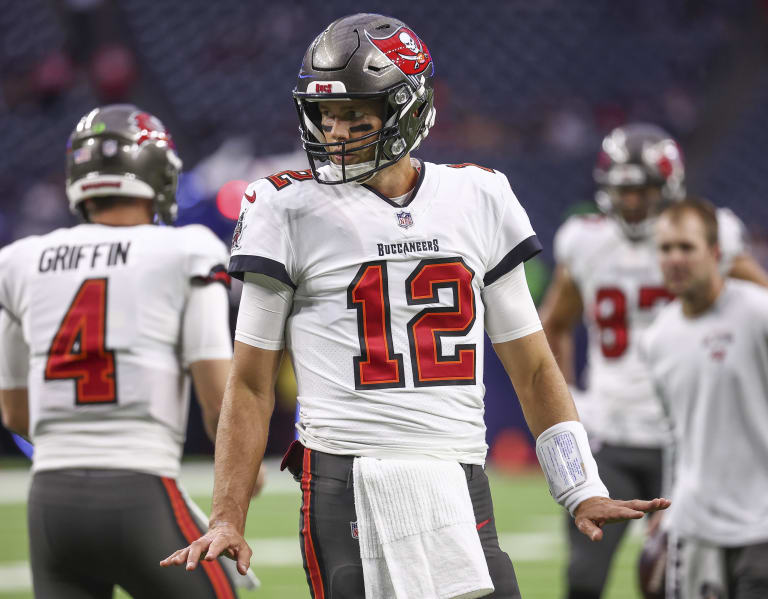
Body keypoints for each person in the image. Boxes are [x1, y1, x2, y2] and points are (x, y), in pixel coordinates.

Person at [161, 14, 669, 599]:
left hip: (459, 472)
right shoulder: (284, 208)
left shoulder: (479, 195)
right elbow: (250, 384)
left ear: (407, 108)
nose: (335, 132)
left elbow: (532, 367)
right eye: (326, 114)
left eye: (356, 114)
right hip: (343, 476)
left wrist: (579, 486)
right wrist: (227, 515)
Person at [0, 104, 241, 599]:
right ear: (156, 173)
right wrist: (241, 469)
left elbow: (14, 410)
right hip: (137, 488)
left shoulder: (20, 261)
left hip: (50, 504)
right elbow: (219, 402)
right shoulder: (186, 250)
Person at [539, 123, 768, 599]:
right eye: (625, 191)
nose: (634, 203)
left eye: (644, 191)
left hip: (683, 438)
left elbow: (755, 307)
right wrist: (571, 404)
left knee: (666, 581)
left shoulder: (707, 235)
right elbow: (554, 323)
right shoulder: (585, 241)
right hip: (610, 431)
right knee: (583, 578)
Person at [641, 199, 768, 598]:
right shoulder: (658, 338)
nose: (675, 259)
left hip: (761, 525)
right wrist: (667, 506)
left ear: (715, 252)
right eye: (665, 248)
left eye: (686, 247)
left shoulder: (758, 314)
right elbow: (675, 433)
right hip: (692, 531)